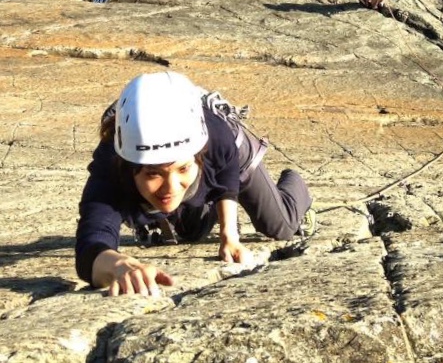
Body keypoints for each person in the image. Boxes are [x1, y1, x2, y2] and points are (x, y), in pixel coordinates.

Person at [76, 71, 314, 296]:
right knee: (192, 232)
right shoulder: (111, 168)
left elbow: (227, 174)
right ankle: (188, 195)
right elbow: (93, 241)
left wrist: (229, 235)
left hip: (230, 154)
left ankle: (295, 184)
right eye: (153, 174)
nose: (170, 186)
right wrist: (119, 266)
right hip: (198, 169)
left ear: (198, 157)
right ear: (129, 167)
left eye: (182, 169)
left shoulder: (216, 138)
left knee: (280, 226)